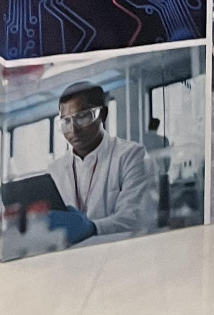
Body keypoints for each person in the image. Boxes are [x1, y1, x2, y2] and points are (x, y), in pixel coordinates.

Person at [45, 83, 158, 240]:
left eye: (82, 116)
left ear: (102, 114)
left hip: (118, 254)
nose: (73, 129)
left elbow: (135, 218)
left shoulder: (131, 155)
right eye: (66, 121)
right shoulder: (54, 170)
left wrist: (92, 228)